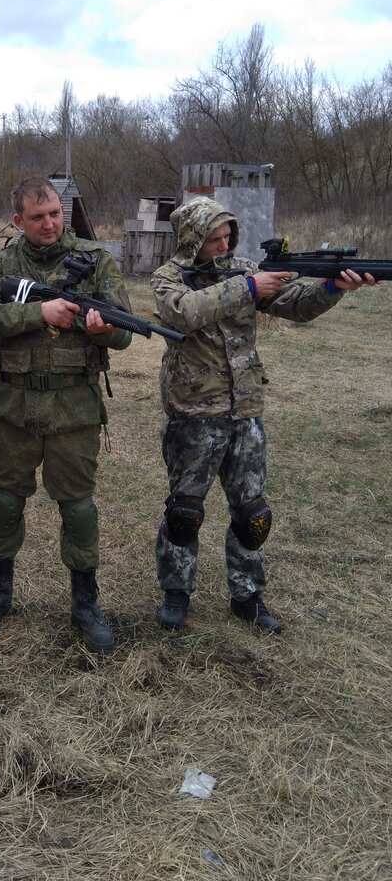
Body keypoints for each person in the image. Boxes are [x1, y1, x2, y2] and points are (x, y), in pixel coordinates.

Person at [150, 196, 377, 633]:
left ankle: (248, 596)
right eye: (213, 238)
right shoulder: (169, 277)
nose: (224, 245)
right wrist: (249, 288)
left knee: (252, 513)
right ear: (192, 240)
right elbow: (181, 314)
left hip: (246, 410)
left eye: (227, 236)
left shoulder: (244, 269)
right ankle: (176, 592)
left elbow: (296, 304)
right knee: (184, 512)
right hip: (194, 413)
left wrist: (332, 288)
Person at [0, 176, 132, 653]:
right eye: (37, 217)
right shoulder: (2, 263)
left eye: (56, 213)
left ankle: (85, 602)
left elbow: (124, 332)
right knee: (6, 501)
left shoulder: (94, 260)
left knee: (78, 507)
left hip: (74, 408)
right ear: (18, 220)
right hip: (14, 406)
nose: (49, 224)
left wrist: (99, 330)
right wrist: (39, 313)